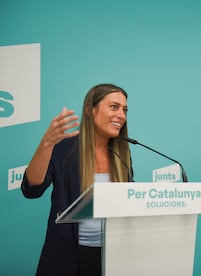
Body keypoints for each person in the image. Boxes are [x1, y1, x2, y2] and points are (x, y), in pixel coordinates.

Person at [21, 83, 133, 276]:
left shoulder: (122, 153)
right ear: (90, 108)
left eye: (125, 109)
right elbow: (32, 190)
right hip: (68, 257)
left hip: (114, 257)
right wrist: (47, 143)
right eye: (114, 107)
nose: (121, 115)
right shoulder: (64, 147)